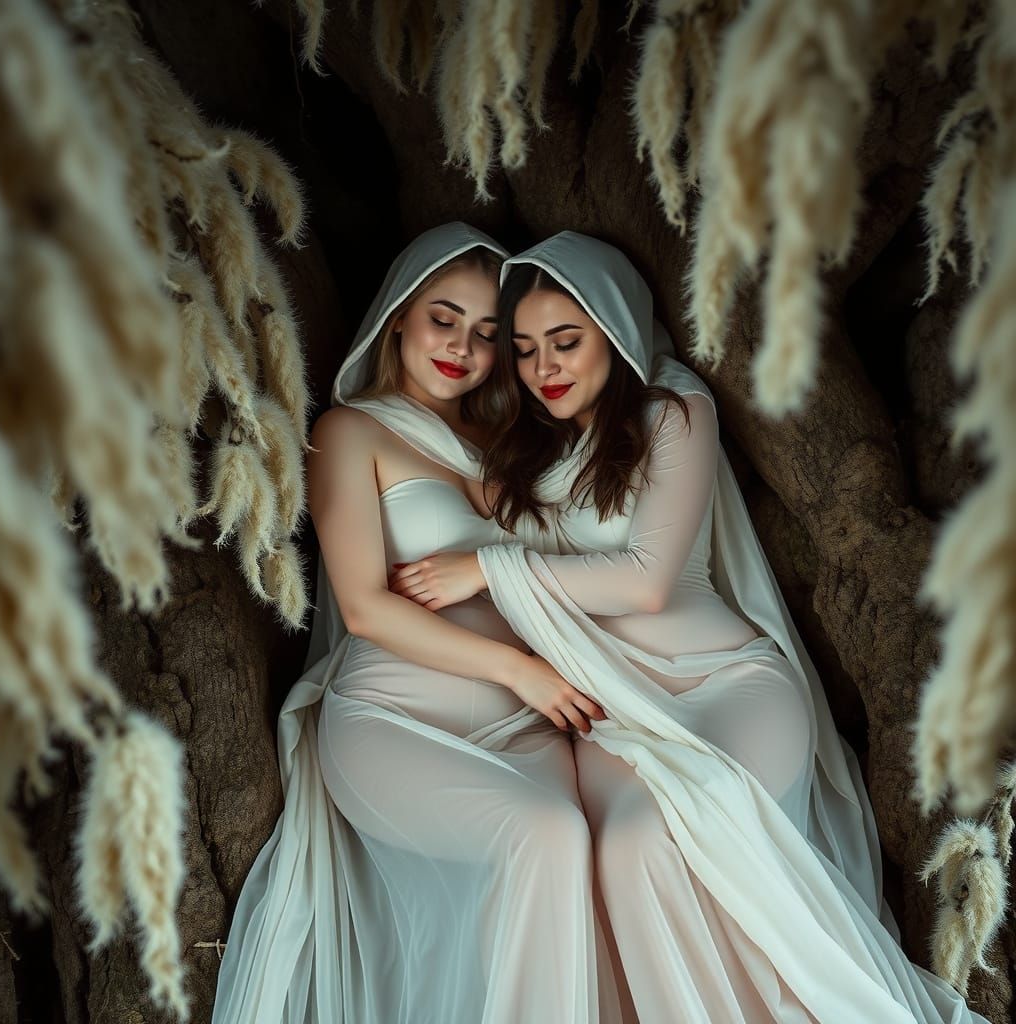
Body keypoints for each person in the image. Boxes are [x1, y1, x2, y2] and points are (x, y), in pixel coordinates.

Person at [389, 230, 993, 1024]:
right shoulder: (525, 458)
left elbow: (644, 582)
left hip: (727, 687)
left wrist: (491, 567)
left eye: (567, 342)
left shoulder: (673, 411)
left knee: (709, 813)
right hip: (615, 720)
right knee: (631, 851)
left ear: (615, 331)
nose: (547, 370)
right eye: (528, 350)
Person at [211, 223, 623, 1024]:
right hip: (396, 721)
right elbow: (365, 607)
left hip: (525, 732)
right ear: (400, 314)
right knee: (547, 838)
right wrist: (518, 670)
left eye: (486, 334)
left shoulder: (509, 445)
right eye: (444, 318)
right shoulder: (349, 432)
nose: (461, 348)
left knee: (592, 864)